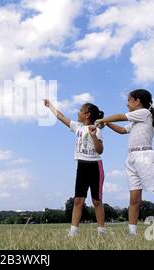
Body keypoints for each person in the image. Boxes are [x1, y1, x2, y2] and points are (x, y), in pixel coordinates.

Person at [95, 89, 154, 236]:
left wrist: (103, 120)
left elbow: (120, 117)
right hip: (132, 158)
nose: (127, 103)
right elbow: (122, 130)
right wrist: (106, 122)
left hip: (146, 157)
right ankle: (132, 233)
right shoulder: (136, 119)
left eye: (129, 100)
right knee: (134, 199)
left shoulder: (144, 113)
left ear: (137, 101)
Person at [44, 99, 106, 237]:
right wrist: (50, 106)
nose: (77, 113)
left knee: (97, 201)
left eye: (80, 111)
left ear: (87, 114)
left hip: (95, 166)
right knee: (78, 200)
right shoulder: (77, 126)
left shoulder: (97, 130)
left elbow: (100, 150)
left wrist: (93, 136)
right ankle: (73, 232)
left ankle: (102, 232)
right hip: (82, 166)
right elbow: (61, 117)